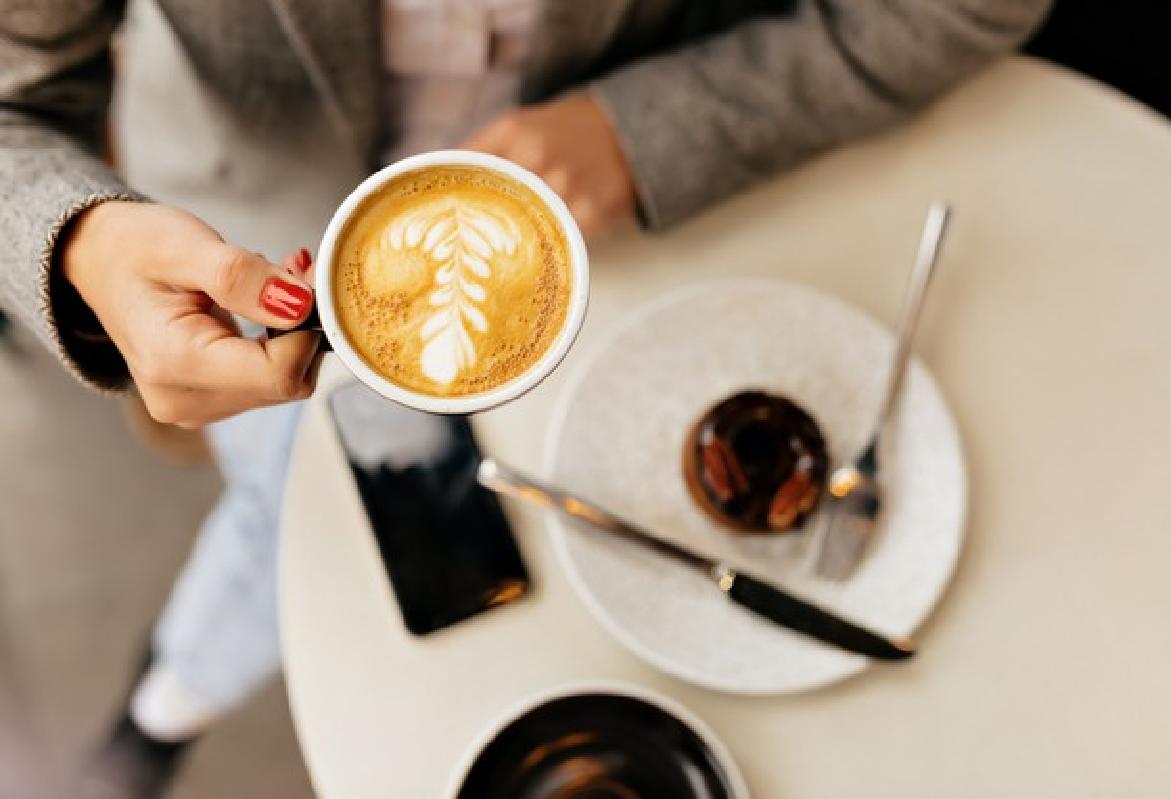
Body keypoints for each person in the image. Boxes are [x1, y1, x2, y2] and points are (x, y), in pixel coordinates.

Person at [0, 0, 1050, 795]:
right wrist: (79, 237)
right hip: (237, 231)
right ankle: (176, 692)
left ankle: (171, 691)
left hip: (637, 236)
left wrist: (647, 131)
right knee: (287, 506)